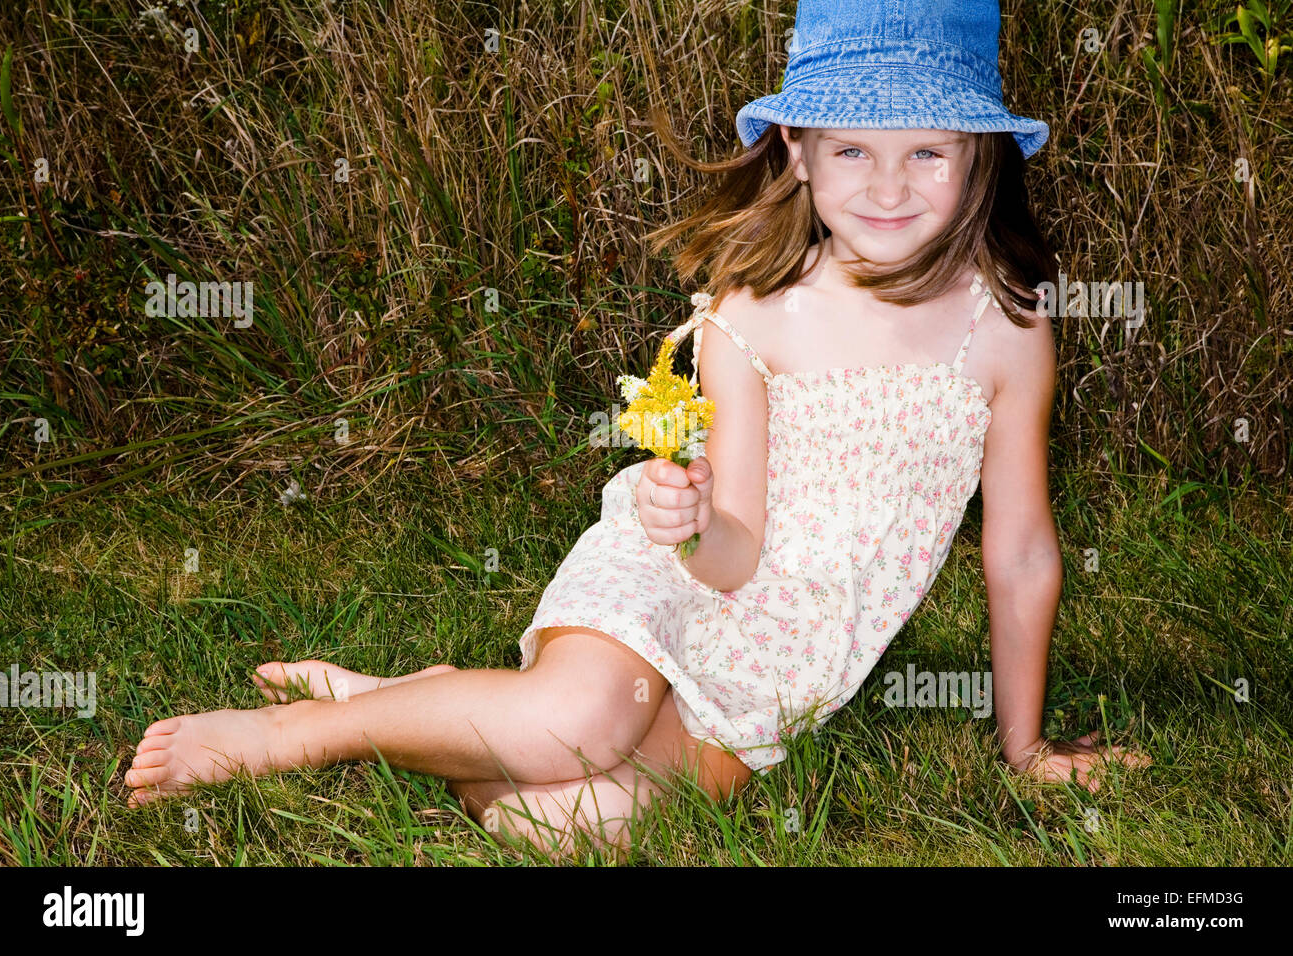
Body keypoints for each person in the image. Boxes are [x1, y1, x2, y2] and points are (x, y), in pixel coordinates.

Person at [124, 0, 1151, 860]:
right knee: (579, 720)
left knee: (569, 819)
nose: (887, 187)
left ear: (977, 157)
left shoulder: (1004, 327)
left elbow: (1016, 551)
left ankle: (425, 698)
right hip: (679, 575)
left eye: (926, 150)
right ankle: (303, 733)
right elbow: (731, 546)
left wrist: (1025, 747)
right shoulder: (752, 309)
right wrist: (686, 520)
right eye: (852, 148)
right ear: (795, 152)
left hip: (781, 660)